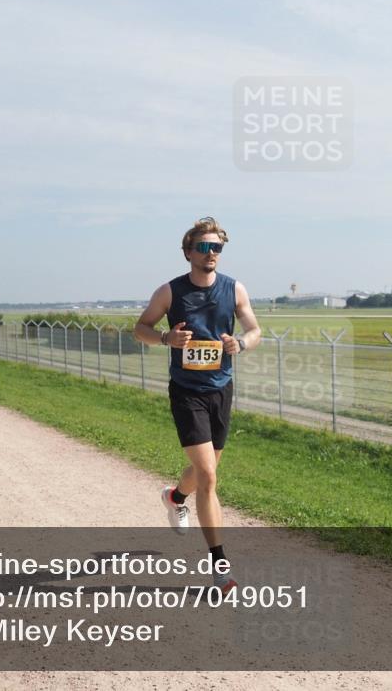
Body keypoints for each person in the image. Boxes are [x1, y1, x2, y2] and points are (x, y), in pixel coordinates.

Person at [134, 217, 262, 597]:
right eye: (204, 248)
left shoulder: (234, 289)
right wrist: (164, 337)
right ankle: (220, 569)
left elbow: (254, 330)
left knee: (205, 471)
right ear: (188, 252)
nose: (211, 254)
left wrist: (242, 343)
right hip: (187, 391)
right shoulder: (170, 292)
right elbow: (140, 328)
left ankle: (174, 497)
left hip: (221, 389)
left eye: (217, 248)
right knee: (208, 476)